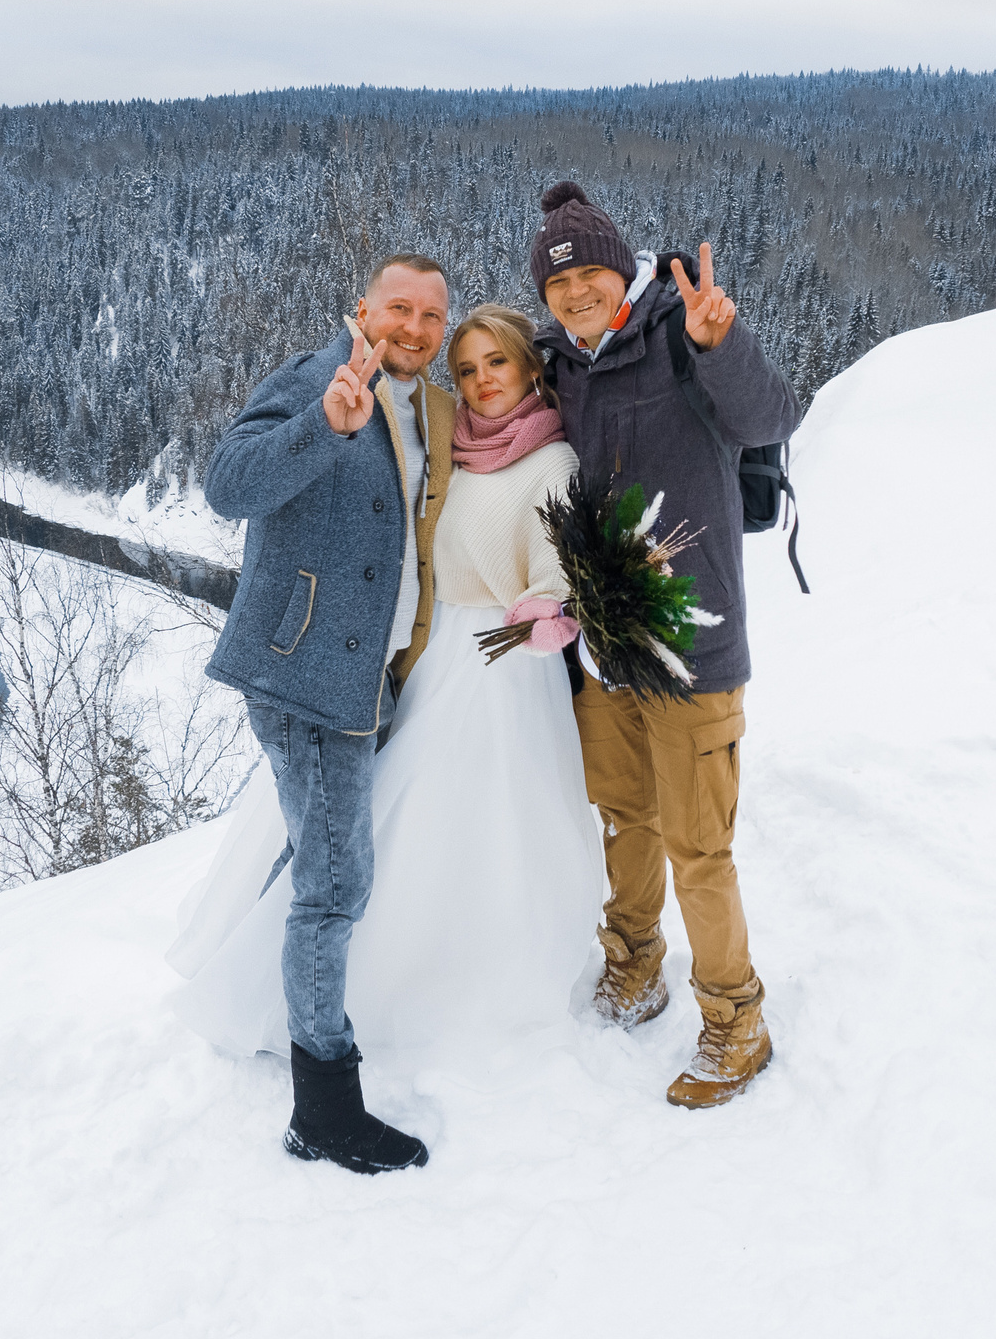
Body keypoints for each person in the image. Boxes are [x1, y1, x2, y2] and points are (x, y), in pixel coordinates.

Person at [172, 303, 601, 1071]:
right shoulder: (454, 445)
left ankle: (433, 985)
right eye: (466, 369)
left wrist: (549, 609)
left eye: (496, 363)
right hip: (427, 663)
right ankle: (316, 990)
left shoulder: (552, 459)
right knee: (369, 828)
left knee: (465, 832)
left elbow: (557, 567)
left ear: (531, 368)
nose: (480, 382)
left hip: (500, 676)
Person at [528, 180, 803, 1110]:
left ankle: (736, 1022)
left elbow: (769, 420)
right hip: (606, 648)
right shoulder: (559, 363)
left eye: (589, 276)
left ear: (621, 267)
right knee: (626, 820)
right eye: (557, 287)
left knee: (699, 848)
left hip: (693, 642)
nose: (575, 296)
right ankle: (634, 966)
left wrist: (722, 342)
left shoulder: (680, 331)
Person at [191, 254, 454, 1176]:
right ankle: (325, 1106)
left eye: (430, 315)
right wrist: (320, 427)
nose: (412, 328)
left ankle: (265, 1009)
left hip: (365, 676)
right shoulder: (320, 380)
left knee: (316, 860)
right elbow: (227, 485)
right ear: (360, 310)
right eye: (397, 310)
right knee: (336, 883)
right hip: (305, 678)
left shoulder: (420, 403)